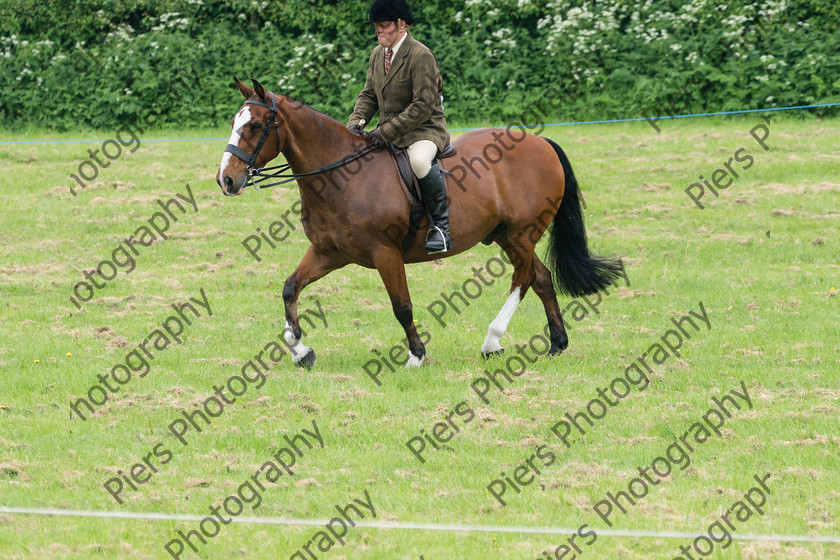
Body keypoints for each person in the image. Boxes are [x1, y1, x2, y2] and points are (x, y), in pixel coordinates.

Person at [347, 0, 452, 254]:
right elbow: (369, 95)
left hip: (423, 130)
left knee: (418, 161)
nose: (378, 31)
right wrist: (355, 123)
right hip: (390, 132)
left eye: (384, 26)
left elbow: (422, 106)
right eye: (376, 27)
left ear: (402, 24)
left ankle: (441, 228)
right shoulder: (377, 54)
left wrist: (383, 132)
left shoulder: (421, 55)